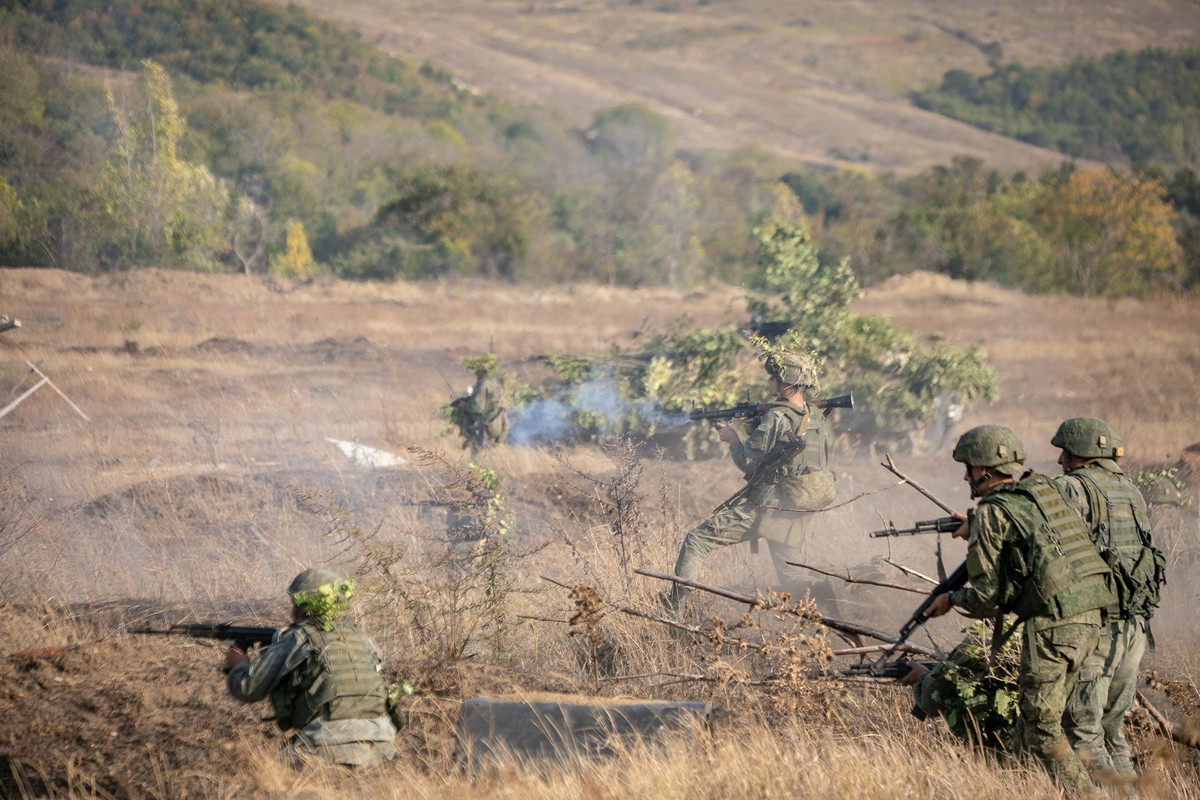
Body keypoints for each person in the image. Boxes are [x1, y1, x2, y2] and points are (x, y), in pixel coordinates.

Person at [923, 425, 1115, 788]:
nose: (966, 476)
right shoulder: (1041, 489)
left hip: (1055, 624)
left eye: (969, 468)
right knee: (1031, 725)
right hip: (1091, 616)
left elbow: (986, 597)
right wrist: (977, 522)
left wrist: (950, 599)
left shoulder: (994, 511)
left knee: (1041, 729)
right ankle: (1023, 789)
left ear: (985, 469)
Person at [666, 351, 838, 614]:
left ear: (788, 381)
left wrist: (733, 439)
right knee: (793, 579)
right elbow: (787, 450)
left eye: (774, 377)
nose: (770, 381)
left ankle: (673, 610)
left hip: (767, 506)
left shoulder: (776, 417)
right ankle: (828, 589)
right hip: (796, 506)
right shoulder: (814, 414)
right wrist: (755, 426)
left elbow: (749, 461)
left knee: (696, 541)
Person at [1052, 417, 1165, 775]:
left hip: (1097, 630)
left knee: (1083, 732)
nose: (1060, 461)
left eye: (1066, 453)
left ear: (1082, 455)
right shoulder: (1129, 491)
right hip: (1133, 630)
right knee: (1112, 731)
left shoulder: (1070, 488)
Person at [223, 568, 397, 768]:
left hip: (329, 745)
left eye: (295, 605)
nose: (291, 612)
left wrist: (239, 663)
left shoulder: (298, 637)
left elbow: (247, 689)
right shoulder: (362, 638)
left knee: (260, 774)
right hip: (382, 749)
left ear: (305, 607)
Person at [451, 353, 508, 451]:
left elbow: (477, 408)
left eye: (477, 371)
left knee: (479, 459)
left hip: (485, 427)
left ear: (482, 372)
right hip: (498, 424)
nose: (476, 374)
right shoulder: (495, 382)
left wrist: (464, 406)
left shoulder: (483, 385)